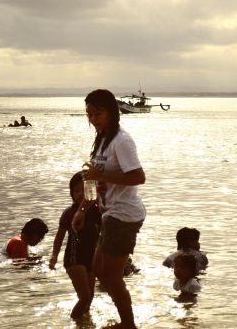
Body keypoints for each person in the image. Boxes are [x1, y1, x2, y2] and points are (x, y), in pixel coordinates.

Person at [72, 89, 146, 329]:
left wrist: (100, 174)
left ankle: (128, 324)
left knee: (111, 276)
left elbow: (138, 177)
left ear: (112, 112)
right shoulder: (102, 140)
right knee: (100, 272)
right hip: (109, 213)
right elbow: (94, 182)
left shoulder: (122, 141)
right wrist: (82, 210)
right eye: (89, 114)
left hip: (123, 215)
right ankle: (126, 322)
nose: (93, 118)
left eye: (98, 113)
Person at [49, 172, 101, 319]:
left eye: (82, 190)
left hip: (90, 259)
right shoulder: (69, 213)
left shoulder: (97, 211)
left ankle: (84, 324)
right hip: (74, 259)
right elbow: (59, 237)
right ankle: (74, 323)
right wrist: (54, 256)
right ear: (71, 193)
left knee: (90, 298)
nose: (79, 194)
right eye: (75, 190)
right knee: (84, 297)